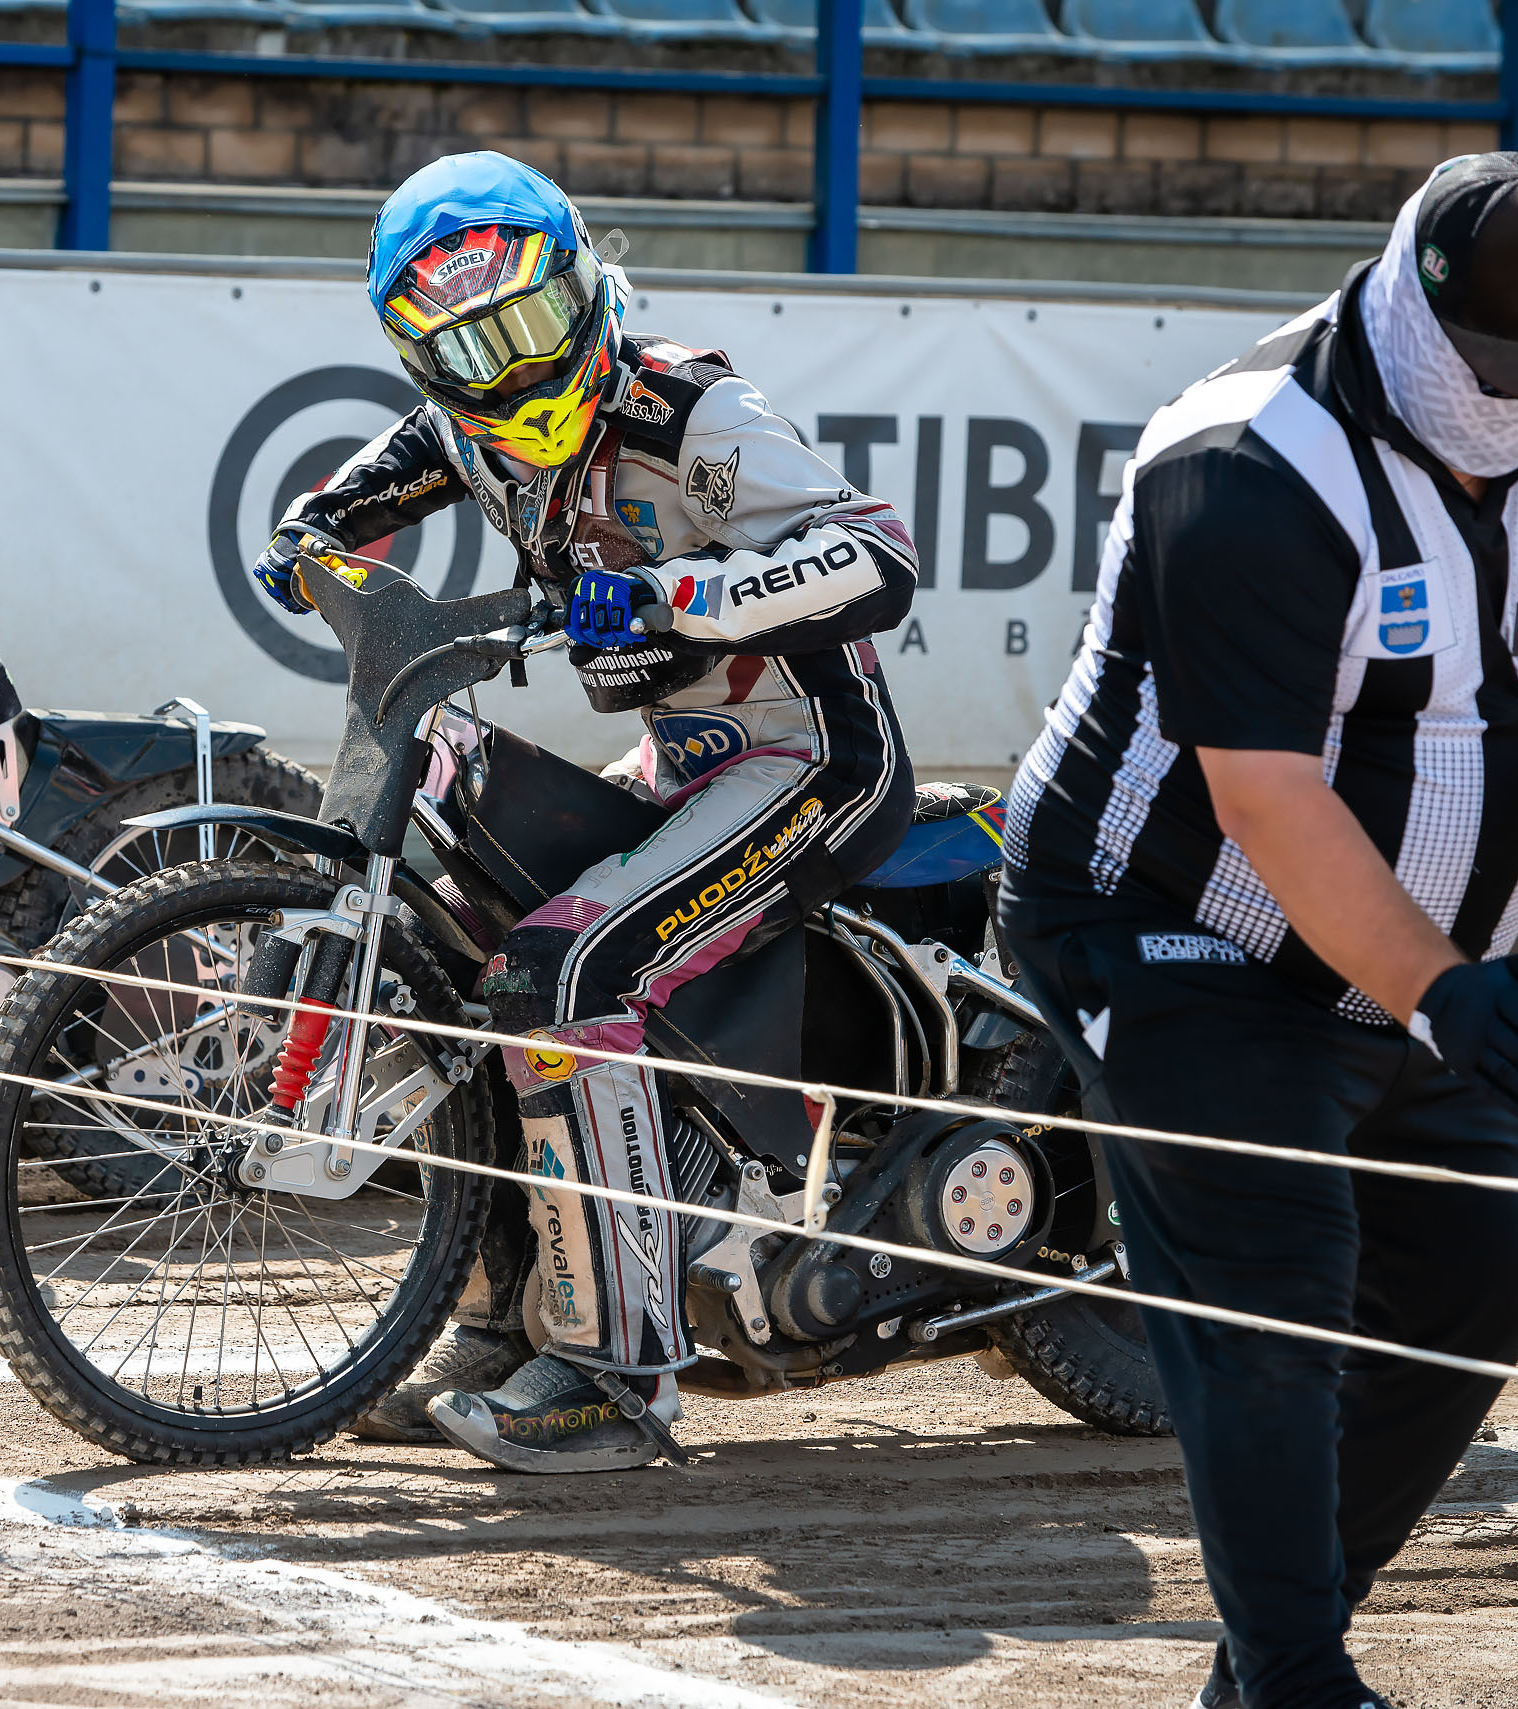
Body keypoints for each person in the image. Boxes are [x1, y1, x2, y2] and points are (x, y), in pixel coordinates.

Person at [996, 154, 1518, 1709]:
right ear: (1410, 310)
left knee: (1478, 1279)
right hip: (1165, 924)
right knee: (1278, 1287)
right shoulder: (1245, 465)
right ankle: (1296, 1674)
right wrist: (1443, 989)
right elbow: (1264, 800)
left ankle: (1273, 1648)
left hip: (1410, 968)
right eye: (1504, 370)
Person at [250, 152, 920, 1473]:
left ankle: (621, 1377)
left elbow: (878, 553)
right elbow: (367, 489)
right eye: (468, 350)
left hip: (815, 763)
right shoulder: (465, 423)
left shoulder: (689, 410)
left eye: (531, 329)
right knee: (487, 954)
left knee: (562, 972)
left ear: (582, 284)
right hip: (686, 768)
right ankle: (512, 1323)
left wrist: (683, 598)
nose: (509, 372)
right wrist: (309, 531)